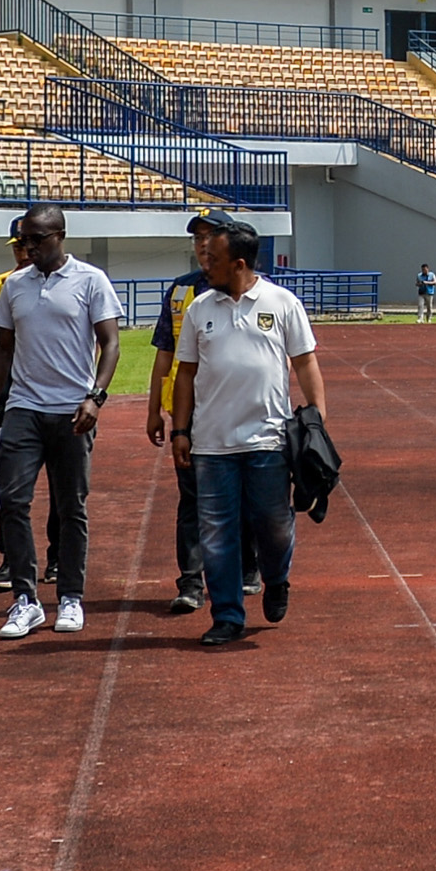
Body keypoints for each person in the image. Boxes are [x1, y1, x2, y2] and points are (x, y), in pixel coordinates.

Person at [169, 217, 324, 650]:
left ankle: (276, 578)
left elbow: (305, 362)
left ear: (239, 264)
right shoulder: (199, 309)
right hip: (211, 444)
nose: (205, 266)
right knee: (216, 532)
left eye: (214, 259)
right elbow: (186, 373)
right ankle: (227, 615)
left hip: (268, 441)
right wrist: (180, 430)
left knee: (273, 523)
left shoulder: (282, 302)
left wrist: (317, 423)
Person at [0, 202, 123, 640]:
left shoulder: (91, 280)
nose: (28, 247)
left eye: (36, 239)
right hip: (24, 407)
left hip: (72, 409)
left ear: (59, 236)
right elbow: (2, 347)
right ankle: (25, 599)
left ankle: (70, 596)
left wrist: (95, 397)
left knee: (70, 507)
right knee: (13, 502)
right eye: (23, 239)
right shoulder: (14, 286)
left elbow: (110, 343)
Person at [143, 231, 216, 616]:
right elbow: (164, 353)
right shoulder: (180, 290)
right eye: (198, 239)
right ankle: (190, 581)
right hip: (188, 412)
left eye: (211, 237)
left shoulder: (255, 287)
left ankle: (249, 563)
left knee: (243, 494)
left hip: (233, 409)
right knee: (192, 498)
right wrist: (154, 409)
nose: (203, 245)